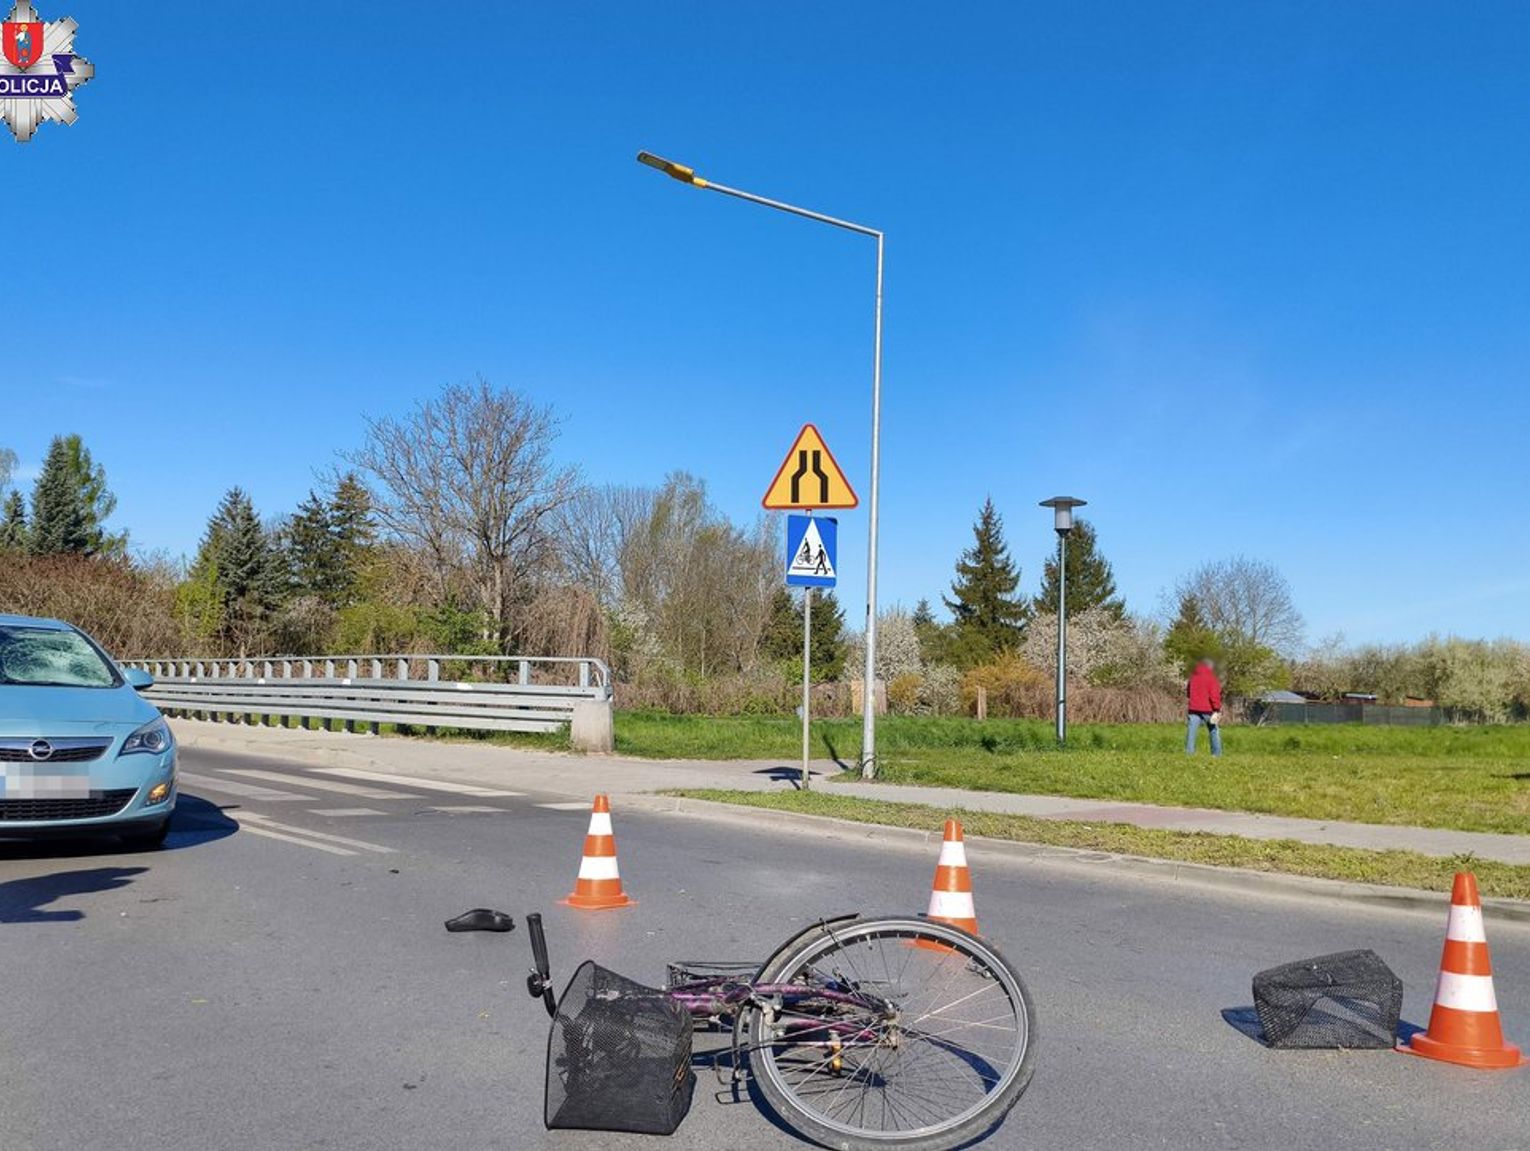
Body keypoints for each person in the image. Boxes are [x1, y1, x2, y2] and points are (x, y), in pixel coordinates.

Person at [1186, 658, 1222, 756]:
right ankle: (1216, 754)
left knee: (1191, 732)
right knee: (1214, 730)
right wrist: (1217, 709)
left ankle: (1189, 754)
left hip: (1193, 708)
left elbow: (1188, 692)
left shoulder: (1193, 676)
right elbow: (1214, 695)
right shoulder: (1212, 677)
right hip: (1208, 710)